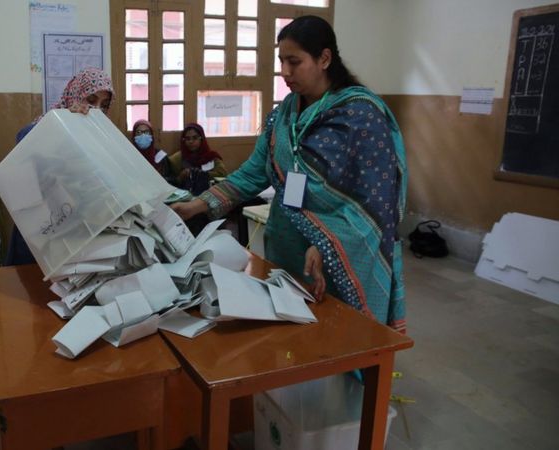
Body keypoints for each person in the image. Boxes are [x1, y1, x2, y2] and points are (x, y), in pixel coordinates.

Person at [172, 16, 408, 332]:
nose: (284, 71)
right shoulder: (285, 114)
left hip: (341, 255)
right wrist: (196, 205)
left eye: (294, 61)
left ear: (324, 59)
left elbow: (376, 202)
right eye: (281, 60)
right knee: (289, 337)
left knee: (337, 341)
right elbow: (253, 173)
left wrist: (328, 245)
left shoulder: (361, 117)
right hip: (286, 246)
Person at [6, 67, 114, 266]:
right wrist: (63, 121)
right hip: (40, 231)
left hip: (73, 237)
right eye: (91, 100)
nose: (97, 110)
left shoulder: (97, 139)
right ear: (75, 96)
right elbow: (23, 141)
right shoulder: (50, 122)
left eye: (104, 105)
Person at [168, 123, 227, 196]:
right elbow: (169, 182)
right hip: (184, 196)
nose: (191, 141)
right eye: (187, 139)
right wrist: (181, 177)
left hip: (210, 195)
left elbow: (222, 175)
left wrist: (198, 174)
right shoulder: (176, 159)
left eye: (195, 138)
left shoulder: (211, 157)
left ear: (201, 138)